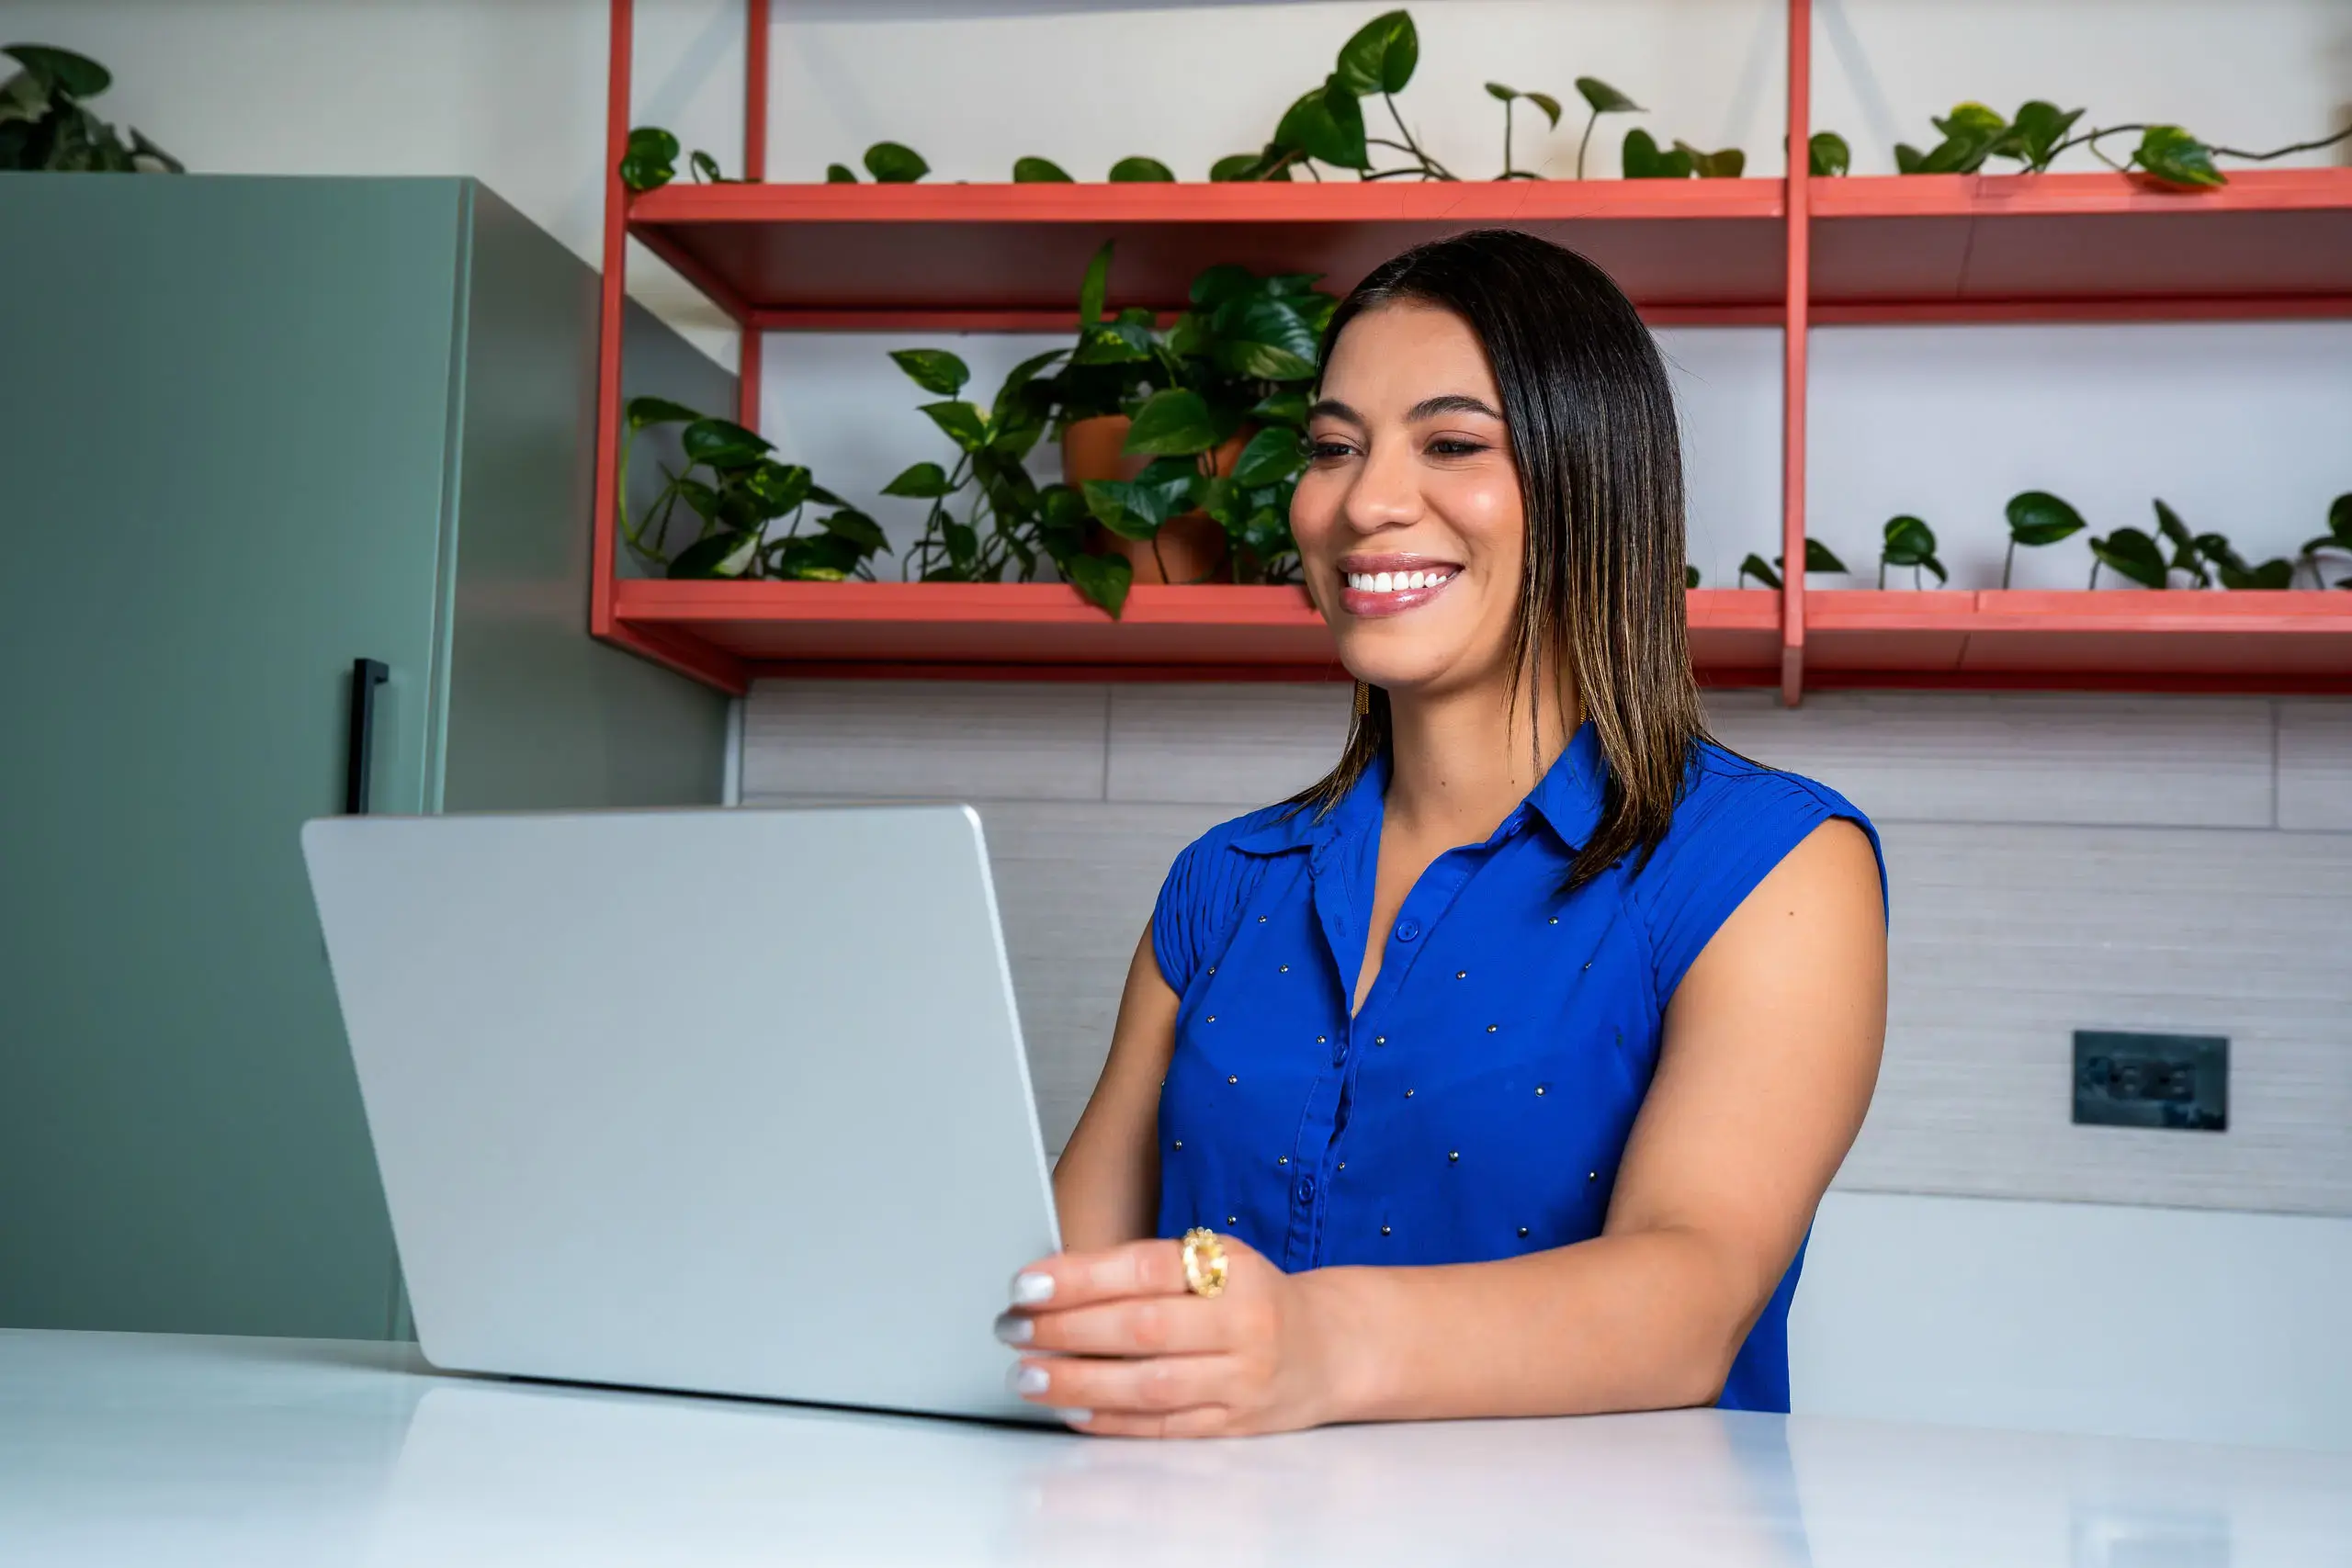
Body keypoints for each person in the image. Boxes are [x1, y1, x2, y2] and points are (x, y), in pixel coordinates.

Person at [997, 229, 1888, 1438]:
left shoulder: (1773, 865)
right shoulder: (1221, 884)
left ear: (1591, 479)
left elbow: (1692, 1298)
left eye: (1453, 443)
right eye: (1333, 448)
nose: (1364, 501)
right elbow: (1052, 1297)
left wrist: (1314, 1344)